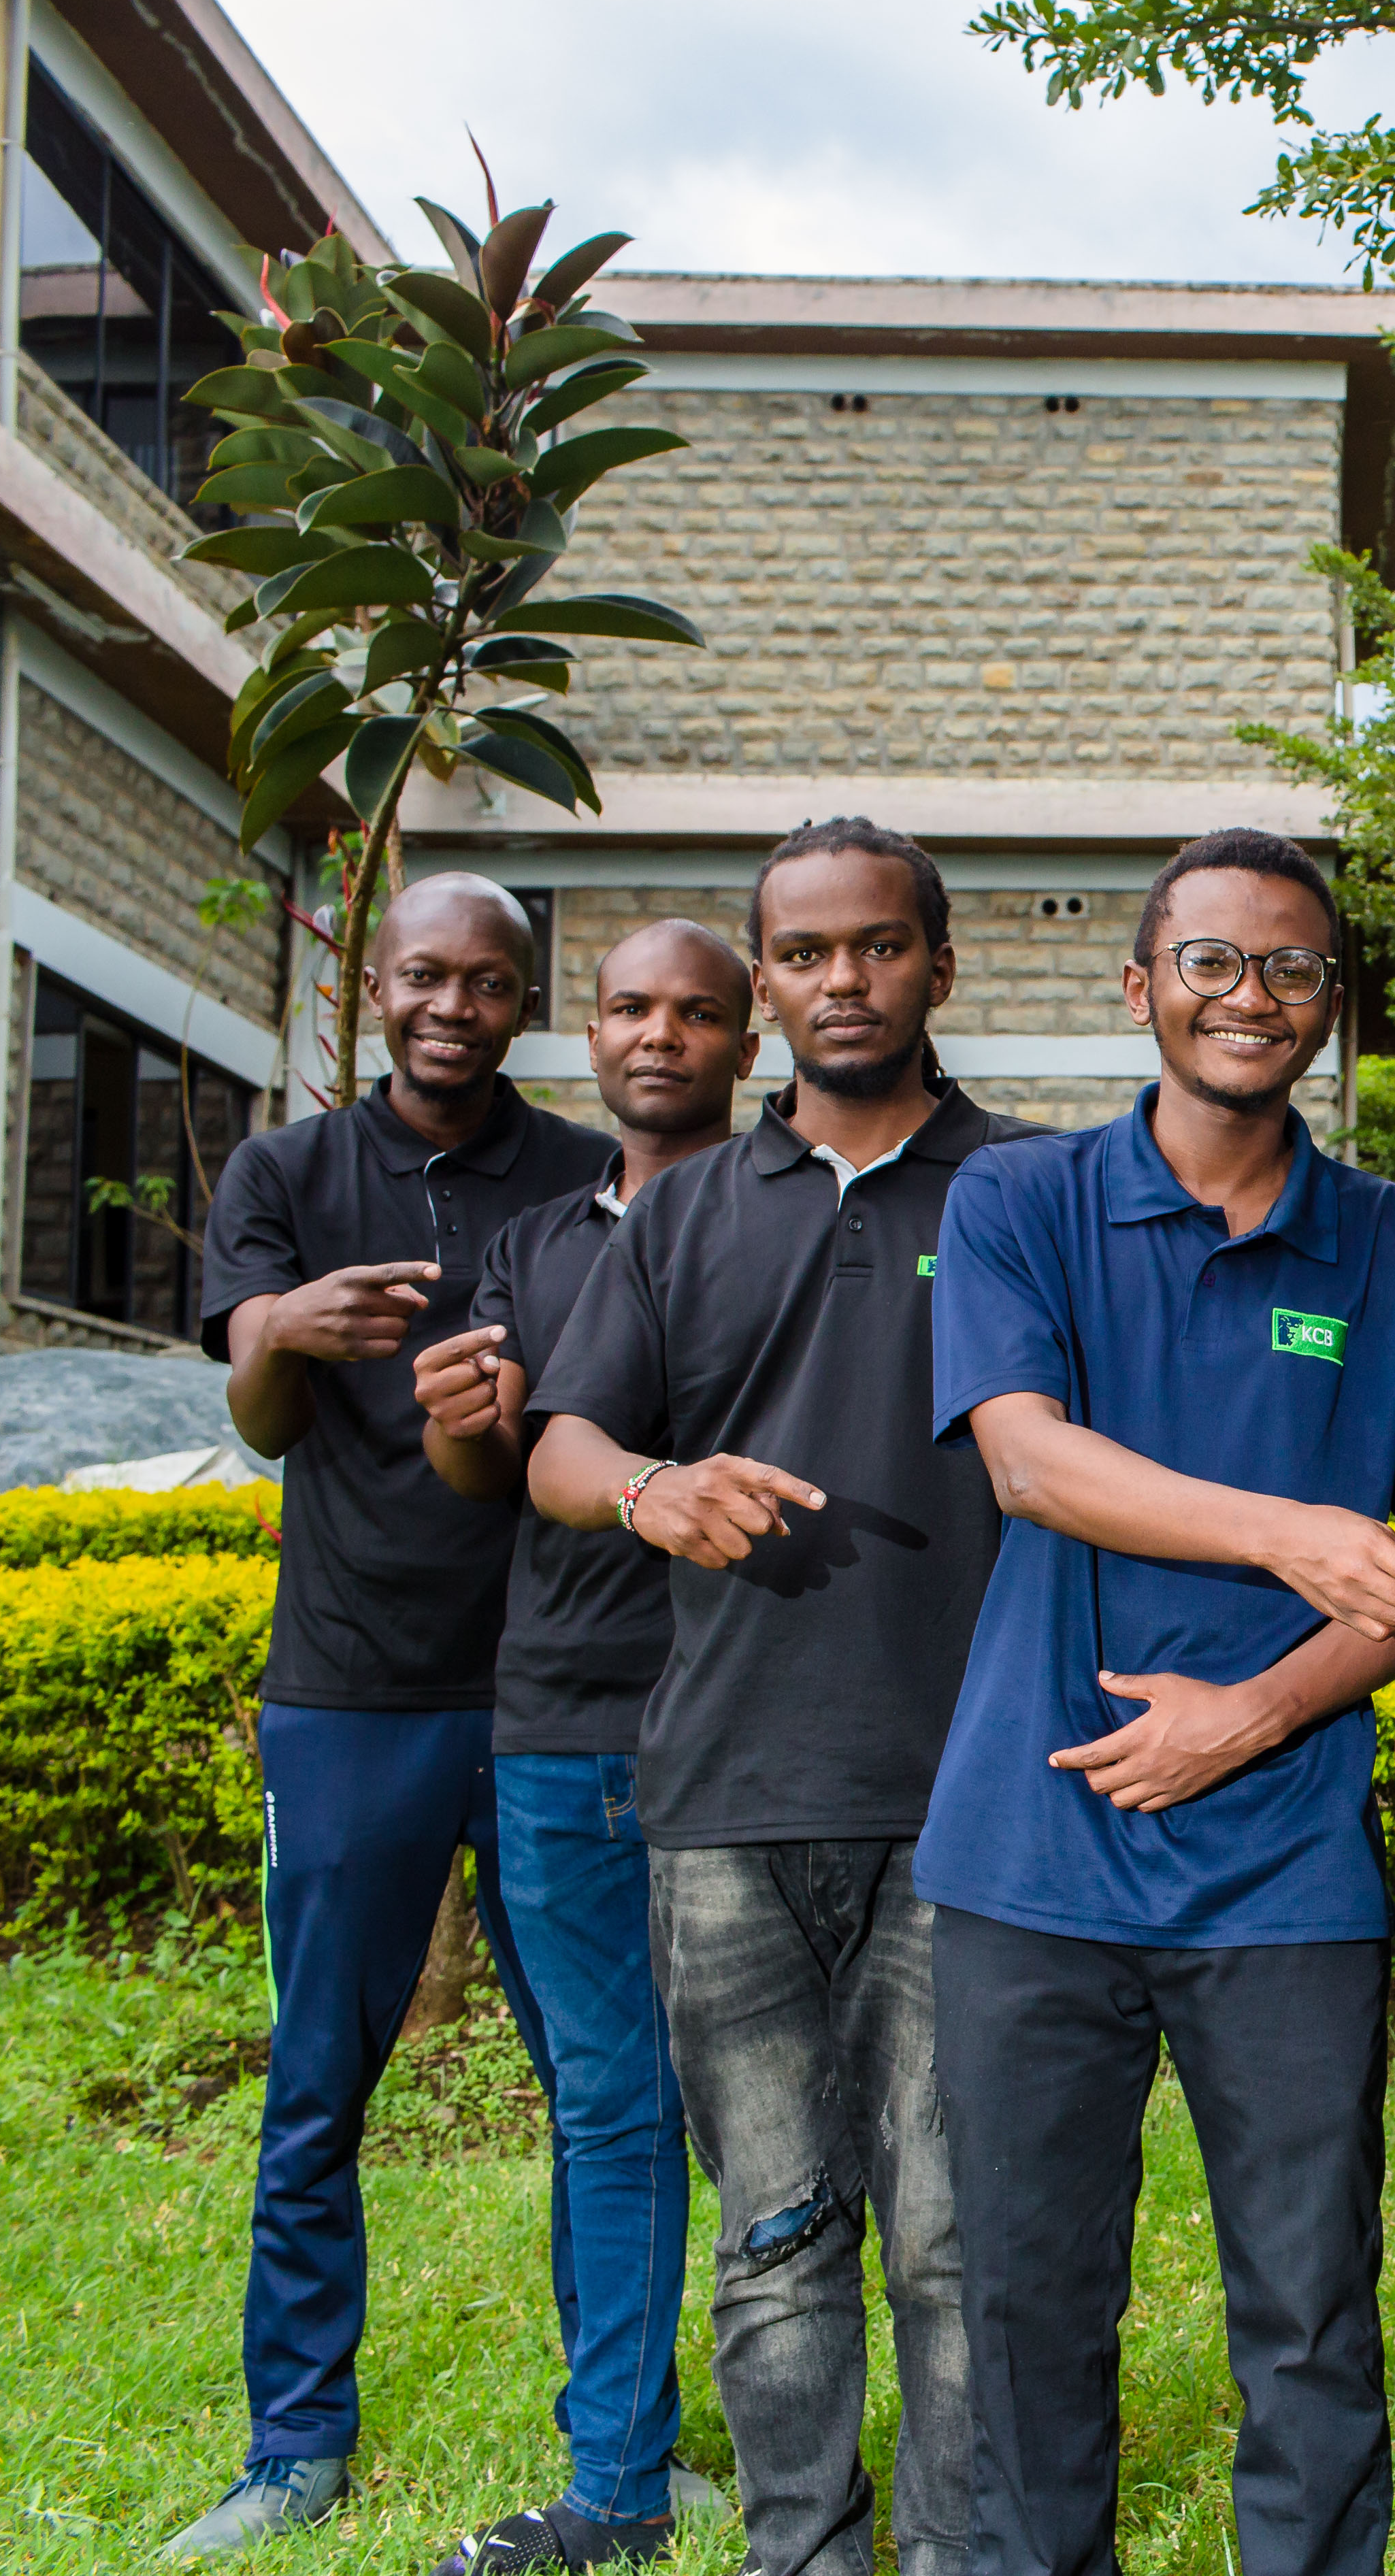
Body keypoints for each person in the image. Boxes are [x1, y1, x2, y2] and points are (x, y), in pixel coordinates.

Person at [917, 828, 1395, 2576]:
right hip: (1032, 1858)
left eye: (1293, 968)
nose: (1254, 996)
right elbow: (1029, 1463)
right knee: (1026, 2305)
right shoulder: (1018, 1202)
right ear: (1141, 989)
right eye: (1215, 962)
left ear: (1332, 1003)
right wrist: (1293, 1533)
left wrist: (1247, 1714)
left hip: (1286, 1873)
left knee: (1311, 2314)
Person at [525, 822, 1045, 2576]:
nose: (845, 979)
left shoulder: (1031, 1192)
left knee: (953, 2242)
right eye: (806, 953)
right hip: (727, 1800)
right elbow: (564, 1443)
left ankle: (959, 2555)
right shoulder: (681, 1212)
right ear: (766, 984)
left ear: (939, 966)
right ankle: (799, 2551)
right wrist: (648, 1487)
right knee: (776, 2235)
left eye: (879, 946)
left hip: (971, 1799)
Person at [167, 877, 620, 2561]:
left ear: (526, 1004)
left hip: (558, 1688)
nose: (453, 1007)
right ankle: (294, 2444)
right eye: (426, 976)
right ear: (374, 986)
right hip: (351, 1686)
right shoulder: (287, 1174)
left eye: (489, 983)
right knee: (318, 2078)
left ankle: (619, 2444)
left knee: (603, 2084)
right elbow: (265, 1419)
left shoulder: (587, 1174)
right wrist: (284, 1329)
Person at [408, 919, 761, 2572]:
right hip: (559, 1720)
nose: (661, 1035)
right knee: (611, 2106)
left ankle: (800, 2447)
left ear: (748, 1041)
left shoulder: (792, 1218)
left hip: (751, 1721)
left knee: (780, 2117)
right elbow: (493, 1479)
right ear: (591, 1033)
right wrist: (458, 1428)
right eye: (630, 1007)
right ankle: (620, 2467)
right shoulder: (538, 1241)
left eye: (698, 1011)